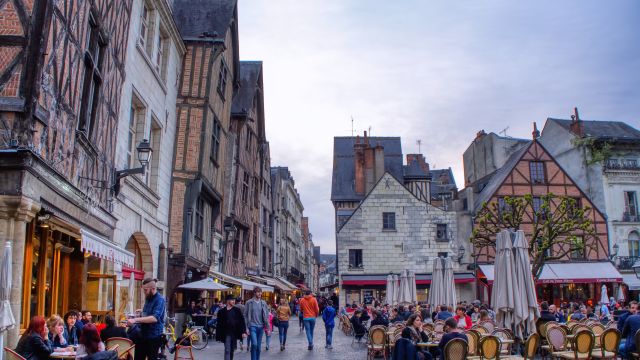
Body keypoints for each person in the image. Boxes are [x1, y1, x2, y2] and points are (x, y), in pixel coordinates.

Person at [126, 278, 166, 360]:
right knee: (138, 357)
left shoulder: (160, 300)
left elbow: (154, 318)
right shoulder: (148, 297)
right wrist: (140, 313)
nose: (144, 292)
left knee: (151, 358)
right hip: (142, 334)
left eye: (145, 290)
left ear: (153, 289)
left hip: (153, 336)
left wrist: (135, 320)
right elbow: (147, 314)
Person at [216, 295, 247, 360]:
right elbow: (219, 324)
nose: (234, 301)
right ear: (227, 301)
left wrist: (243, 332)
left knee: (231, 350)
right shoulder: (221, 311)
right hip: (226, 333)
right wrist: (218, 336)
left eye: (234, 300)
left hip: (234, 333)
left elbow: (241, 321)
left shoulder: (237, 310)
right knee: (227, 349)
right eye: (232, 300)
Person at [244, 286, 270, 360]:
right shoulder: (249, 302)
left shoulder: (263, 303)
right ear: (254, 293)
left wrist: (268, 328)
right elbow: (245, 315)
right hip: (252, 326)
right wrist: (246, 328)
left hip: (261, 327)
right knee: (254, 344)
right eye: (258, 292)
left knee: (258, 347)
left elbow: (266, 316)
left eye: (260, 292)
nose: (260, 293)